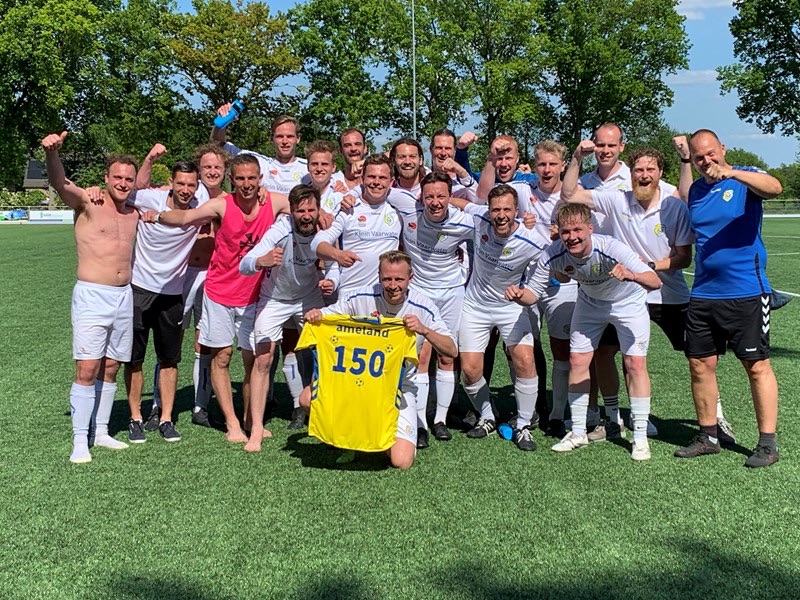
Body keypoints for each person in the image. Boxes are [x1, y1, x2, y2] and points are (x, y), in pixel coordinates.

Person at [142, 154, 290, 443]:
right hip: (220, 292)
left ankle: (251, 419)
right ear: (231, 180)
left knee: (253, 360)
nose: (246, 184)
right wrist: (157, 216)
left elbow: (303, 204)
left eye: (252, 178)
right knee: (221, 356)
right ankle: (232, 423)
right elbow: (184, 217)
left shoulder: (273, 202)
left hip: (254, 295)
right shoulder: (221, 205)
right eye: (240, 178)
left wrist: (327, 212)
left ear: (260, 179)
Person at [562, 143, 704, 441]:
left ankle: (714, 420)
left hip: (667, 293)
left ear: (660, 173)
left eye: (650, 169)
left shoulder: (674, 206)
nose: (644, 175)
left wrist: (647, 266)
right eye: (639, 169)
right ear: (631, 173)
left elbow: (683, 258)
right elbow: (570, 194)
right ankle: (615, 417)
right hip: (623, 294)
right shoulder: (618, 200)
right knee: (606, 353)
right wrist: (576, 158)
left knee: (699, 356)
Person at [511, 203, 662, 460]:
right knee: (577, 360)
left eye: (578, 230)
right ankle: (579, 432)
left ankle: (639, 438)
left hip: (628, 302)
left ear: (590, 228)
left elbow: (655, 282)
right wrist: (518, 295)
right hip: (590, 303)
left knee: (635, 363)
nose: (572, 237)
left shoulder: (611, 247)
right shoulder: (553, 254)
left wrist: (631, 275)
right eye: (566, 231)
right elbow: (532, 294)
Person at [673, 129, 782, 468]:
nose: (707, 161)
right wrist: (684, 160)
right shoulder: (697, 190)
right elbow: (684, 194)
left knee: (756, 366)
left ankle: (767, 444)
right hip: (704, 292)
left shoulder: (745, 176)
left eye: (711, 153)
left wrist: (732, 172)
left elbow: (775, 188)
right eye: (699, 157)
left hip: (746, 291)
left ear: (723, 148)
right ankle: (708, 436)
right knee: (699, 364)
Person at [303, 251, 457, 469]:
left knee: (401, 461)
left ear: (410, 278)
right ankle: (349, 436)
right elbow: (326, 317)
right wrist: (316, 315)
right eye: (387, 279)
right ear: (379, 276)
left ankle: (367, 432)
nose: (393, 285)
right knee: (307, 399)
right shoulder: (359, 297)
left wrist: (424, 330)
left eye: (399, 279)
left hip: (398, 389)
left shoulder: (423, 306)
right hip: (358, 384)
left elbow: (452, 350)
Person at [43, 131, 139, 463]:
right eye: (117, 177)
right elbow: (60, 184)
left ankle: (101, 432)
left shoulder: (134, 212)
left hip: (124, 296)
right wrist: (52, 153)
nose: (123, 183)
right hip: (92, 296)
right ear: (106, 178)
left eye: (128, 179)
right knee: (87, 368)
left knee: (110, 366)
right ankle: (79, 441)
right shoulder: (88, 202)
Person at [136, 143, 228, 430]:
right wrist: (150, 159)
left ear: (225, 171)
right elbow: (138, 190)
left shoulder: (229, 200)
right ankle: (157, 407)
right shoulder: (190, 193)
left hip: (213, 275)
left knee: (206, 341)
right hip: (181, 274)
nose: (212, 171)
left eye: (217, 167)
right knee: (169, 340)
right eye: (207, 167)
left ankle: (201, 406)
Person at [239, 184, 337, 451]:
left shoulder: (324, 230)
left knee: (325, 355)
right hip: (274, 300)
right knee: (263, 358)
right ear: (291, 211)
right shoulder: (280, 229)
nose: (306, 216)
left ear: (318, 210)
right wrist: (261, 261)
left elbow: (333, 265)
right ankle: (256, 429)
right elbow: (244, 263)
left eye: (311, 210)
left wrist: (332, 281)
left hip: (309, 298)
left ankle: (323, 417)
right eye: (300, 211)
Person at [384, 172, 476, 445]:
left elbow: (492, 220)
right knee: (421, 356)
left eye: (441, 196)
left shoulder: (464, 221)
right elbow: (374, 188)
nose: (435, 202)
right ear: (420, 197)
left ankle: (441, 420)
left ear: (450, 197)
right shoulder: (407, 205)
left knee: (447, 355)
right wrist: (347, 197)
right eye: (430, 196)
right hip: (419, 292)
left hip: (451, 292)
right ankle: (420, 422)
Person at [457, 184, 551, 451]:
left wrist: (524, 293)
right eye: (496, 209)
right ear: (488, 210)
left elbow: (552, 265)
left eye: (507, 210)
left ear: (516, 211)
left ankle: (523, 424)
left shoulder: (533, 241)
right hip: (475, 306)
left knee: (525, 360)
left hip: (511, 307)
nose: (500, 215)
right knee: (470, 370)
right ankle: (487, 416)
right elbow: (459, 203)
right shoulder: (480, 218)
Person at [124, 161, 203, 444]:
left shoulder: (200, 206)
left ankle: (167, 418)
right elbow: (124, 190)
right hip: (139, 290)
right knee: (134, 360)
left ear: (197, 186)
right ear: (171, 182)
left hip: (172, 295)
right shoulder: (149, 198)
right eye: (180, 183)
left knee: (169, 360)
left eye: (191, 184)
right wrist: (148, 159)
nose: (185, 189)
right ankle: (135, 418)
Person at [311, 154, 402, 294]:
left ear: (391, 181)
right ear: (362, 178)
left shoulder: (399, 211)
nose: (376, 182)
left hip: (387, 296)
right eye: (371, 177)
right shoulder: (347, 208)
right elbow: (316, 244)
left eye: (382, 178)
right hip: (351, 294)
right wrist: (337, 254)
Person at [212, 108, 307, 195]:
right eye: (280, 136)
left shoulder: (309, 168)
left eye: (290, 136)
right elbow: (217, 146)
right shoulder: (259, 163)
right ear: (272, 139)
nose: (285, 141)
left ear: (298, 138)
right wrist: (223, 120)